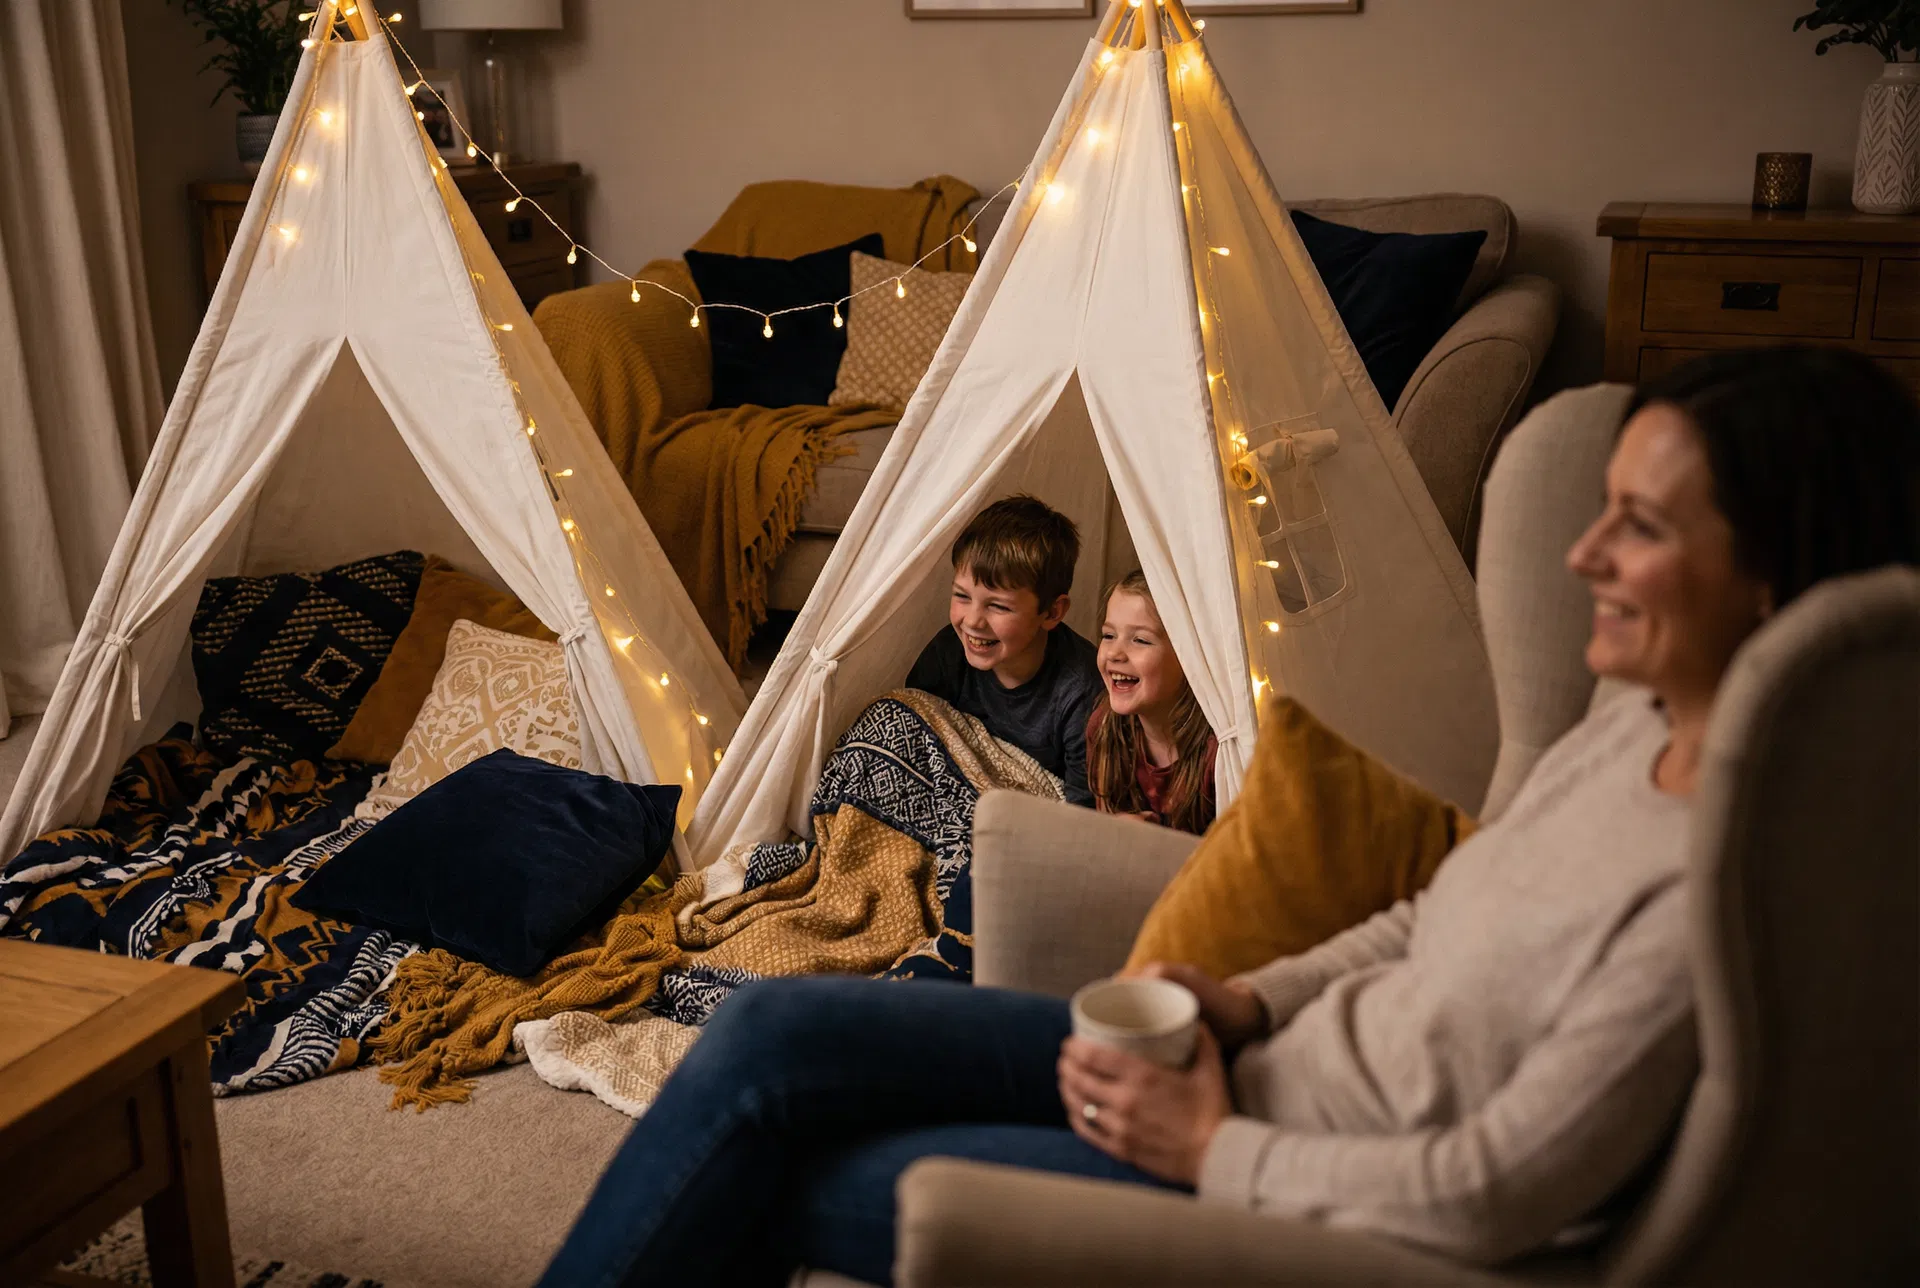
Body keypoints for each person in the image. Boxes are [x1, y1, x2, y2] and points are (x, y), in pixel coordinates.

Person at [538, 348, 1920, 1288]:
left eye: (1645, 529)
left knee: (772, 1161)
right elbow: (1433, 915)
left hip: (1281, 1173)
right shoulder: (1633, 729)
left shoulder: (1717, 895)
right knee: (774, 1032)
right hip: (1246, 1066)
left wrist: (1213, 1147)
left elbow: (1496, 1193)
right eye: (1601, 511)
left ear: (1775, 581)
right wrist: (1247, 1005)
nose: (1584, 557)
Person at [904, 494, 1103, 805]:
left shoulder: (1081, 691)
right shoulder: (949, 651)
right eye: (962, 596)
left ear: (1051, 613)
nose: (972, 621)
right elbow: (914, 730)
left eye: (998, 606)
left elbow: (1082, 811)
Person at [1086, 570, 1217, 834]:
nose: (1114, 653)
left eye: (1141, 640)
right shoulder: (1104, 727)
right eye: (1108, 635)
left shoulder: (1217, 753)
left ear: (1188, 655)